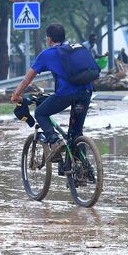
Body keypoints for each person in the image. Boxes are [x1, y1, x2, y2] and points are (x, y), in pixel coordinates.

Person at [10, 23, 93, 157]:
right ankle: (83, 171)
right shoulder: (73, 50)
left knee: (40, 113)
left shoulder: (47, 54)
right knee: (76, 133)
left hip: (66, 94)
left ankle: (55, 141)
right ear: (63, 38)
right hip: (86, 92)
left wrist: (16, 94)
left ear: (48, 39)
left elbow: (27, 79)